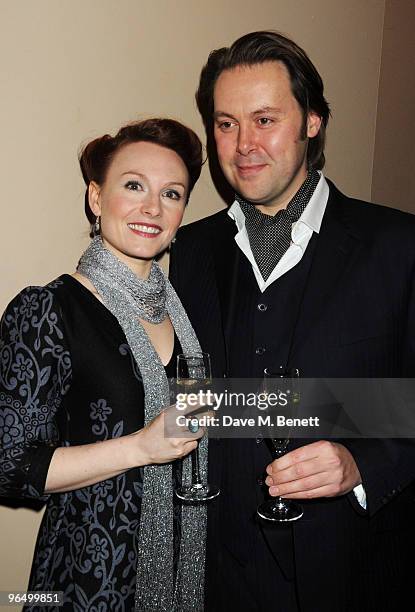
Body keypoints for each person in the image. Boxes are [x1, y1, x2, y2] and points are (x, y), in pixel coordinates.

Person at [169, 31, 415, 611]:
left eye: (264, 119)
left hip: (354, 569)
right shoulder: (189, 250)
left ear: (312, 122)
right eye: (226, 123)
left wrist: (363, 461)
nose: (243, 144)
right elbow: (190, 401)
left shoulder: (399, 245)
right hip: (216, 575)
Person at [0, 118, 207, 611]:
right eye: (134, 185)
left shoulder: (188, 314)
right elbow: (9, 465)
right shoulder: (49, 309)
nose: (152, 208)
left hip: (184, 567)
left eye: (172, 194)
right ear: (96, 198)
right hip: (88, 572)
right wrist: (141, 447)